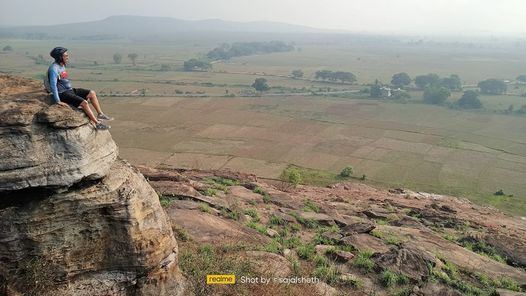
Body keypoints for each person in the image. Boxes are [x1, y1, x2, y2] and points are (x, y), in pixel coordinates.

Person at [46, 47, 112, 130]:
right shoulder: (54, 68)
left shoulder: (61, 66)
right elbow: (53, 85)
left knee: (92, 93)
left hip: (69, 90)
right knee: (84, 103)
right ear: (60, 57)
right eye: (65, 55)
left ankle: (100, 114)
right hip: (62, 93)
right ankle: (97, 123)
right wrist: (58, 101)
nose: (67, 57)